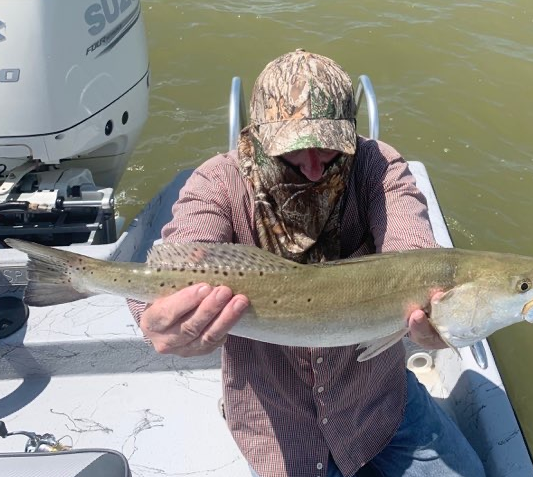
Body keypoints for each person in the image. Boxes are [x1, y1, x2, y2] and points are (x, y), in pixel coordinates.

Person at [129, 49, 485, 477]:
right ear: (259, 137)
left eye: (330, 147)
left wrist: (437, 309)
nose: (315, 169)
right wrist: (154, 317)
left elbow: (413, 251)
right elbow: (183, 250)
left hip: (377, 404)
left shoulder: (377, 168)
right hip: (277, 421)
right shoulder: (217, 183)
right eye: (294, 151)